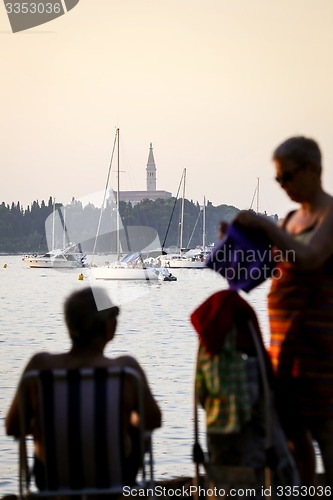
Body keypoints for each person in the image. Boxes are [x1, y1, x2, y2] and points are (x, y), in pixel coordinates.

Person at [234, 136, 333, 488]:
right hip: (283, 344)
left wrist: (266, 226)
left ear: (313, 169)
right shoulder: (290, 219)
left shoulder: (329, 215)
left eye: (287, 177)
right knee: (293, 432)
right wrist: (236, 245)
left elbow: (310, 257)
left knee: (325, 429)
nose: (283, 186)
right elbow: (262, 273)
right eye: (278, 180)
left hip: (319, 344)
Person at [5, 287, 162, 488]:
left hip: (52, 481)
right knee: (135, 426)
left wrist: (48, 422)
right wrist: (121, 417)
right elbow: (153, 419)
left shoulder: (39, 367)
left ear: (69, 324)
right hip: (115, 478)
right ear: (108, 328)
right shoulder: (126, 370)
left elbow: (13, 427)